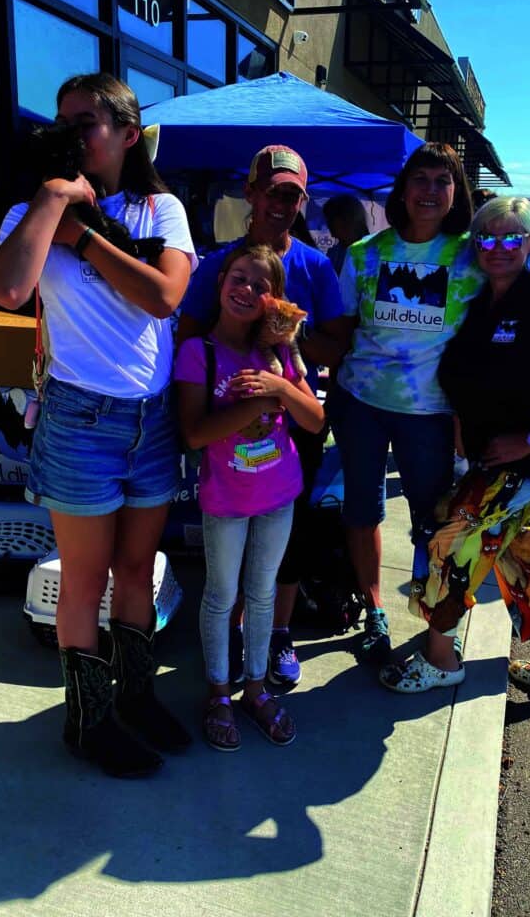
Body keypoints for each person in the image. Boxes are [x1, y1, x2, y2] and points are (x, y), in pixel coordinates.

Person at [0, 72, 198, 778]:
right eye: (63, 120)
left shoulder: (160, 209)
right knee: (84, 580)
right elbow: (9, 290)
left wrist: (84, 241)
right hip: (80, 418)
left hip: (151, 418)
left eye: (87, 122)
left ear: (127, 135)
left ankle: (134, 697)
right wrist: (52, 200)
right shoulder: (33, 210)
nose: (71, 133)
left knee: (137, 569)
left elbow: (163, 296)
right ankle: (89, 721)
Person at [331, 144, 530, 667]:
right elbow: (342, 332)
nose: (430, 190)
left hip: (432, 412)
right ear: (403, 188)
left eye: (443, 180)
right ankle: (374, 613)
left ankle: (435, 613)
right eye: (420, 178)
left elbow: (524, 250)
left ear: (456, 192)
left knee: (435, 521)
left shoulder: (469, 251)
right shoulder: (365, 251)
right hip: (361, 403)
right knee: (361, 510)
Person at [378, 195, 530, 703]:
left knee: (450, 537)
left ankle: (441, 659)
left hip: (524, 462)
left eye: (512, 237)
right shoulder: (481, 301)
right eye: (487, 237)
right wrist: (466, 427)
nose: (498, 247)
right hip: (490, 457)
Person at [177, 145, 345, 685]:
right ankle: (226, 653)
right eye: (272, 191)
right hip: (229, 428)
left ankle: (275, 635)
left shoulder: (314, 265)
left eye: (292, 195)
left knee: (283, 546)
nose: (281, 203)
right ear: (250, 192)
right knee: (228, 556)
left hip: (294, 426)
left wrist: (289, 337)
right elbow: (193, 337)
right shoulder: (218, 265)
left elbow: (336, 346)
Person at [175, 244, 325, 750]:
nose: (246, 290)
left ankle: (255, 690)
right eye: (237, 278)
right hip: (226, 501)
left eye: (260, 286)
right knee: (221, 596)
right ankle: (219, 692)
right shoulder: (199, 352)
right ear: (219, 284)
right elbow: (195, 433)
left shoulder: (278, 353)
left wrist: (280, 386)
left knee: (262, 594)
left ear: (274, 300)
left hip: (279, 494)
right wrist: (263, 398)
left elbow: (315, 420)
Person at [322, 193, 370, 275]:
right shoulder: (334, 252)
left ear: (347, 220)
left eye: (331, 223)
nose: (333, 235)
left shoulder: (373, 253)